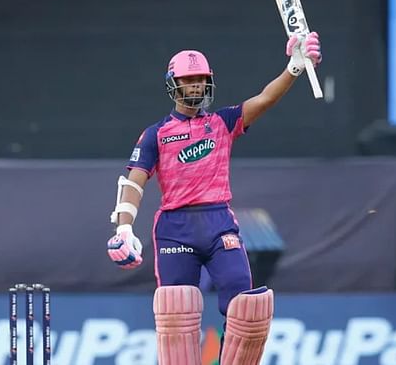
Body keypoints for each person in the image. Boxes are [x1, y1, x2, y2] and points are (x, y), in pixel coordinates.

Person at [106, 32, 321, 364]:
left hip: (219, 222)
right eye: (188, 80)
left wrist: (294, 67)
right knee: (176, 315)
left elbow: (264, 100)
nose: (195, 86)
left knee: (248, 310)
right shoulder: (156, 134)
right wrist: (124, 228)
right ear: (173, 84)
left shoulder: (223, 121)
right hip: (175, 227)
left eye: (201, 80)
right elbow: (134, 181)